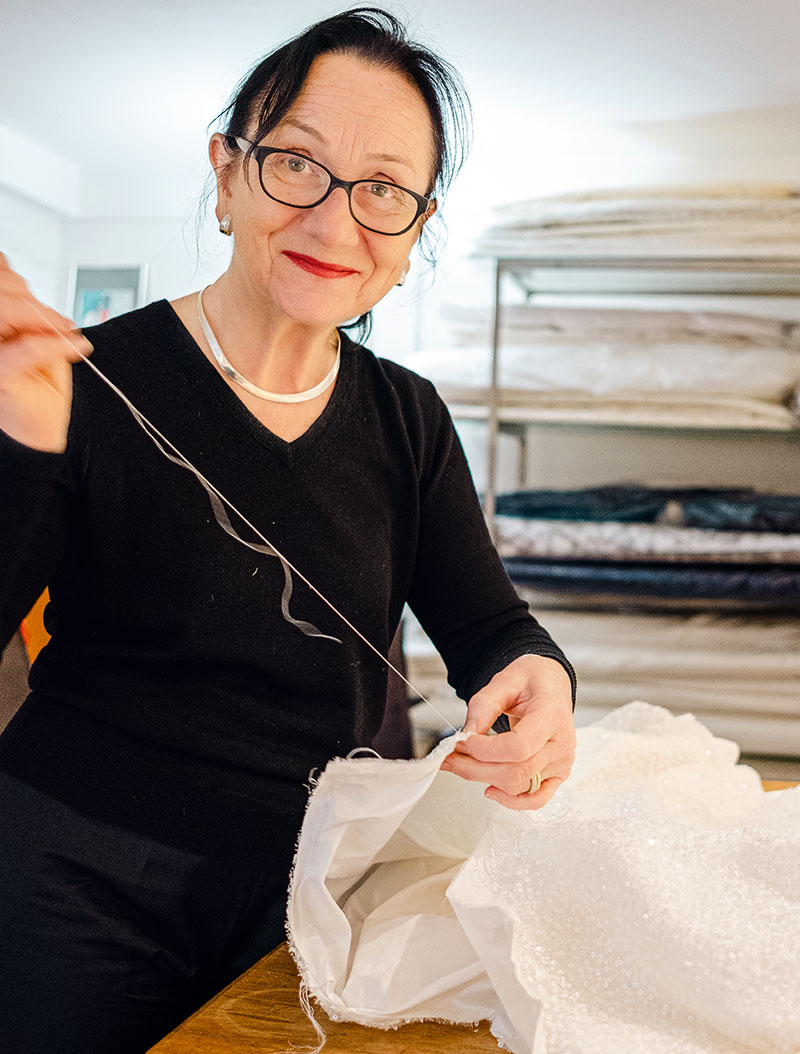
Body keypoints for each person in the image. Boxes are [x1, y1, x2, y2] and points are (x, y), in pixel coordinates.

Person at [0, 8, 576, 1052]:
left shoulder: (408, 419)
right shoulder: (78, 378)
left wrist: (542, 679)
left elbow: (491, 625)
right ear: (226, 175)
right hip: (71, 876)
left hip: (316, 888)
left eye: (382, 192)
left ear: (411, 234)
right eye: (296, 166)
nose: (334, 219)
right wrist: (23, 443)